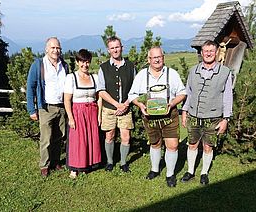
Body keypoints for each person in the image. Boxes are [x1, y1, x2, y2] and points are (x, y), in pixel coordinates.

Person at [128, 46, 186, 187]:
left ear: (163, 58)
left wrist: (172, 103)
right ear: (149, 60)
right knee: (155, 143)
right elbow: (132, 95)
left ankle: (170, 174)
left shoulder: (171, 74)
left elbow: (182, 93)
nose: (157, 60)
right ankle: (154, 169)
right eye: (154, 57)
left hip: (169, 114)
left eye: (159, 57)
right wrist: (140, 105)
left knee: (172, 145)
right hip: (150, 116)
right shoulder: (142, 75)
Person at [181, 40, 233, 185]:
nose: (208, 53)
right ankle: (190, 171)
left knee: (208, 146)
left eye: (211, 51)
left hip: (214, 117)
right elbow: (188, 93)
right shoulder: (193, 71)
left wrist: (226, 119)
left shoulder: (225, 72)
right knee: (192, 144)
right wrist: (184, 111)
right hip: (194, 115)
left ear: (216, 52)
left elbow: (228, 96)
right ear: (201, 53)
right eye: (206, 51)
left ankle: (204, 172)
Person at [26, 37, 69, 177]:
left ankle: (56, 161)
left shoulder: (65, 65)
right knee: (46, 138)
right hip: (46, 108)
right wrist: (32, 109)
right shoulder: (38, 65)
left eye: (58, 48)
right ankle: (44, 165)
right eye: (53, 48)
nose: (56, 50)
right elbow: (30, 87)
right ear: (46, 49)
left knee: (59, 136)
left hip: (61, 107)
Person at [97, 36, 135, 173]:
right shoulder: (103, 68)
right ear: (108, 50)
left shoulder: (131, 67)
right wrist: (116, 104)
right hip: (109, 109)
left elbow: (135, 90)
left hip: (126, 107)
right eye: (112, 48)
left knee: (126, 136)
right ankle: (110, 161)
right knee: (110, 135)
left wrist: (125, 104)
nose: (115, 50)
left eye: (117, 47)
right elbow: (101, 90)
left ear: (122, 48)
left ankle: (124, 162)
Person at [64, 49, 102, 178]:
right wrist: (70, 117)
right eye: (82, 62)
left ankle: (86, 164)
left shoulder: (94, 77)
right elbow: (67, 99)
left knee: (89, 138)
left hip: (92, 110)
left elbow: (99, 97)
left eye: (87, 62)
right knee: (77, 139)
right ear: (77, 62)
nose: (85, 65)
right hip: (78, 111)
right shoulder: (71, 78)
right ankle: (74, 168)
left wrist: (99, 114)